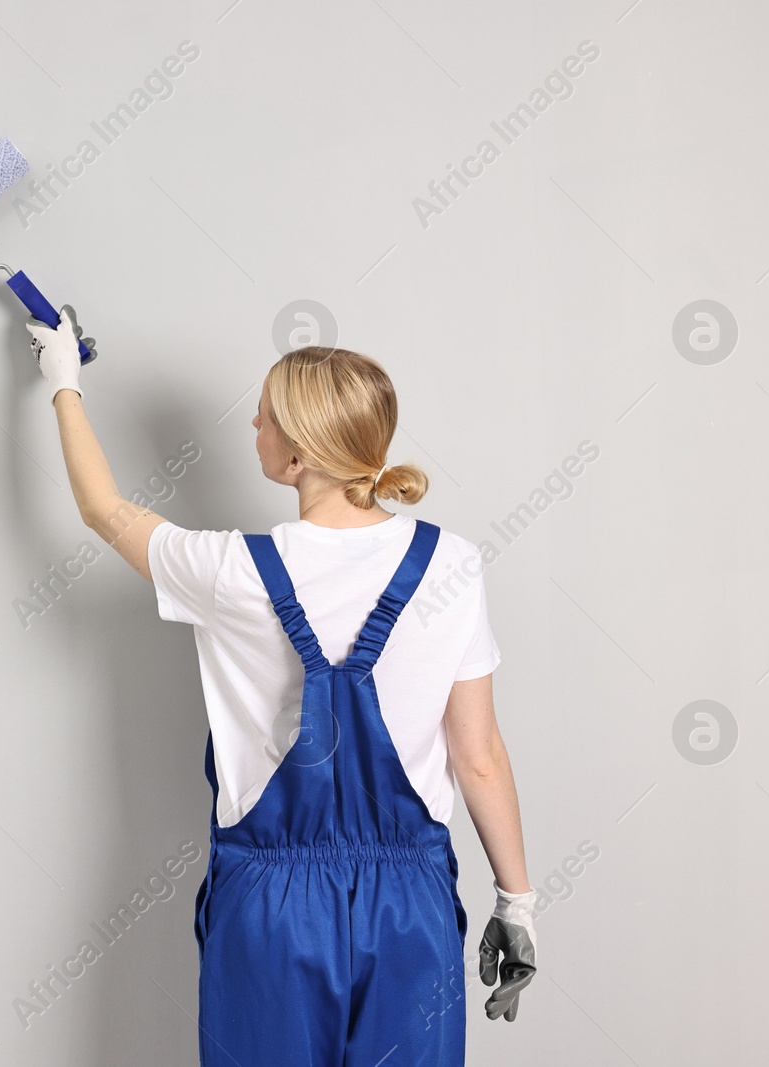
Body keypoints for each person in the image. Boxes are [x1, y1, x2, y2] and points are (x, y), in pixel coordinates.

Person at [28, 308, 537, 1066]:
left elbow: (104, 510)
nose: (254, 428)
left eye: (263, 418)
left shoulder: (230, 569)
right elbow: (480, 754)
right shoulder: (451, 564)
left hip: (269, 906)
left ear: (298, 454)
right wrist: (516, 900)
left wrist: (63, 381)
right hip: (411, 904)